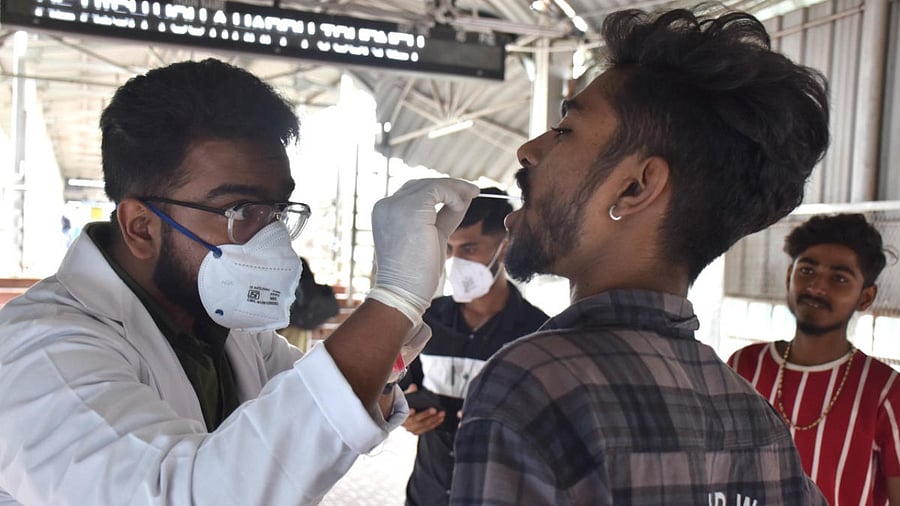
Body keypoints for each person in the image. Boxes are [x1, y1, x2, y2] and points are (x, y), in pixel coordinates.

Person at [0, 58, 479, 505]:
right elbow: (186, 493)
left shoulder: (228, 329)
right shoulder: (42, 348)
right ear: (141, 227)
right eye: (241, 210)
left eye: (277, 211)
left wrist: (390, 352)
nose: (271, 238)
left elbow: (301, 417)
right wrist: (392, 298)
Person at [449, 6, 831, 505]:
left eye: (565, 131)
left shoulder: (537, 383)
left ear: (635, 187)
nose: (529, 151)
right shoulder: (756, 421)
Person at [728, 213, 900, 505]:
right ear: (788, 277)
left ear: (865, 298)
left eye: (839, 278)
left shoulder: (886, 391)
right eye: (807, 271)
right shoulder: (744, 366)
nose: (818, 287)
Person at [399, 187, 548, 505]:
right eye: (450, 249)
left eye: (469, 248)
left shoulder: (538, 334)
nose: (456, 262)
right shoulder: (426, 320)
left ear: (504, 249)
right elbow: (400, 389)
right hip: (428, 493)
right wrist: (405, 416)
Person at [280, 257, 341, 350]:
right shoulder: (297, 262)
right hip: (298, 324)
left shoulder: (280, 261)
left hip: (287, 323)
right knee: (294, 358)